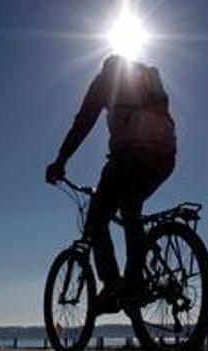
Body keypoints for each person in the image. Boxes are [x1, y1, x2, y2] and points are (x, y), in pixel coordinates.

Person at [46, 54, 176, 314]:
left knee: (96, 218)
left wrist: (60, 161)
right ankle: (134, 278)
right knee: (131, 208)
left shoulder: (103, 81)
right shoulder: (148, 79)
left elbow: (82, 124)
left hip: (129, 156)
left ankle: (115, 284)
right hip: (164, 158)